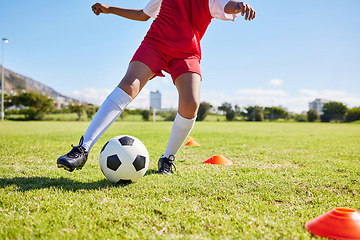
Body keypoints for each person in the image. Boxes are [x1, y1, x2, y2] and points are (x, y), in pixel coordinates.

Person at [57, 0, 256, 175]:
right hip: (156, 44)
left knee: (191, 103)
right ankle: (82, 149)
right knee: (128, 85)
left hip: (186, 52)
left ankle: (167, 159)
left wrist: (239, 6)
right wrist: (110, 9)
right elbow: (144, 14)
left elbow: (226, 5)